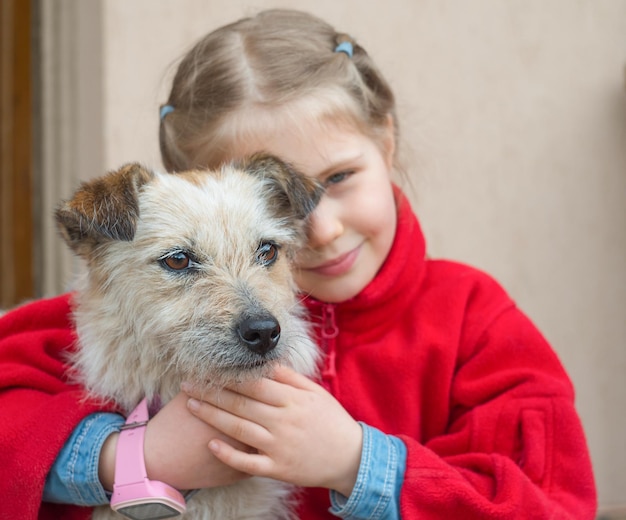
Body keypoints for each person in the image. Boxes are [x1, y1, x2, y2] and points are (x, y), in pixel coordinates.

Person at [0, 8, 596, 520]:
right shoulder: (89, 321)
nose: (320, 230)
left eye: (338, 178)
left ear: (386, 142)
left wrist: (355, 462)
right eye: (183, 260)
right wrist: (133, 457)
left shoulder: (473, 320)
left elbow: (551, 501)